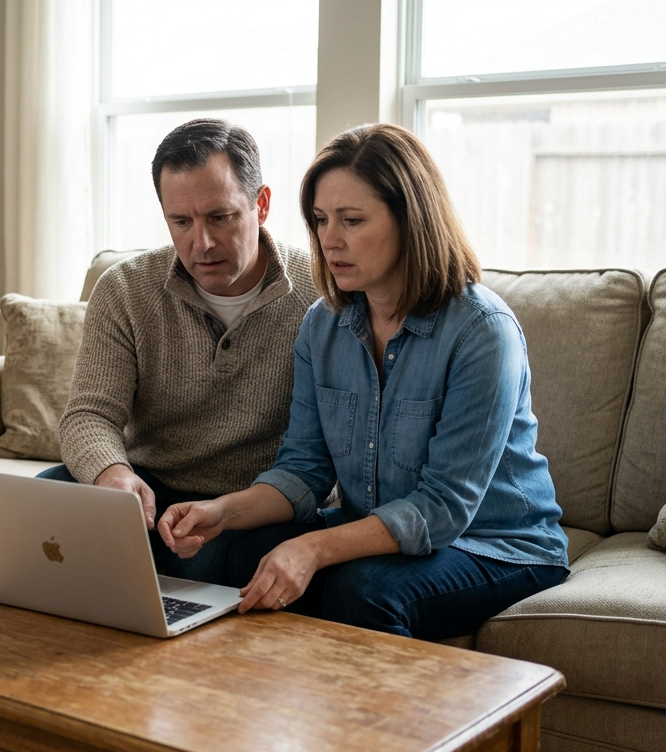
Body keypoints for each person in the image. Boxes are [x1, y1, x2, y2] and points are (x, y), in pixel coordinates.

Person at [157, 123, 569, 639]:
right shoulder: (322, 325)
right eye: (322, 220)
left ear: (409, 220)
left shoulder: (482, 331)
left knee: (364, 588)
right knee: (239, 552)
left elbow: (444, 509)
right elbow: (304, 470)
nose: (330, 241)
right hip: (386, 533)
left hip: (496, 545)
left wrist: (309, 547)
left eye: (352, 220)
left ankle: (373, 722)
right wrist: (222, 512)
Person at [40, 119, 319, 585]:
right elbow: (88, 415)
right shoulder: (126, 289)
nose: (201, 243)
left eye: (220, 217)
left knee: (219, 560)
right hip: (147, 493)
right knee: (48, 497)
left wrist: (230, 510)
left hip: (250, 506)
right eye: (181, 222)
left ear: (262, 205)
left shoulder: (321, 293)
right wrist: (113, 475)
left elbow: (318, 458)